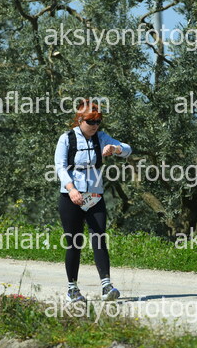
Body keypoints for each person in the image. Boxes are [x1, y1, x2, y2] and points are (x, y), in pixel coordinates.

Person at [54, 99, 132, 302]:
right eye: (91, 122)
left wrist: (115, 149)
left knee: (99, 237)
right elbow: (60, 167)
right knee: (74, 242)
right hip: (71, 196)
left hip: (95, 196)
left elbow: (127, 149)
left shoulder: (101, 137)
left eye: (98, 122)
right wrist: (71, 189)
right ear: (80, 120)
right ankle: (72, 289)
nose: (95, 126)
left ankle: (106, 286)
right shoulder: (66, 138)